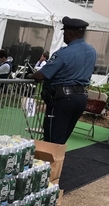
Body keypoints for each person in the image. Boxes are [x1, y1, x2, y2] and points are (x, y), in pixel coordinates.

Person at [31, 16, 98, 144]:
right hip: (81, 97)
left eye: (64, 32)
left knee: (52, 141)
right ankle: (56, 163)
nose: (63, 35)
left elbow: (41, 75)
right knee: (61, 140)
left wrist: (30, 76)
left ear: (70, 33)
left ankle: (49, 164)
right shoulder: (92, 51)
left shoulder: (64, 53)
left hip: (63, 100)